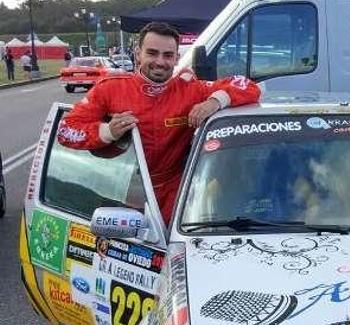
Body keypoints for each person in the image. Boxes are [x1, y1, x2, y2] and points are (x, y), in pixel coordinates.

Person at [57, 22, 261, 223]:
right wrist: (107, 131)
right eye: (152, 53)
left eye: (168, 55)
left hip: (176, 193)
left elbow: (248, 87)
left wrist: (215, 101)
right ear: (138, 54)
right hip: (119, 192)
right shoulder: (109, 89)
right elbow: (66, 130)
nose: (160, 62)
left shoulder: (190, 89)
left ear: (176, 59)